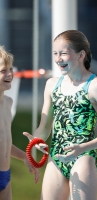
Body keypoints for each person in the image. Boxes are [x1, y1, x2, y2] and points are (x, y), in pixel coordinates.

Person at [23, 30, 97, 200]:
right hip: (56, 155)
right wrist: (37, 140)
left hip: (83, 156)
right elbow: (44, 127)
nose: (58, 58)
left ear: (81, 55)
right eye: (55, 53)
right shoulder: (52, 85)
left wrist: (83, 148)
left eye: (64, 53)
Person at [0, 46, 40, 200]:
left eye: (11, 69)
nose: (10, 74)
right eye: (4, 70)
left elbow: (4, 143)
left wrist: (24, 157)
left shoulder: (8, 103)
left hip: (5, 173)